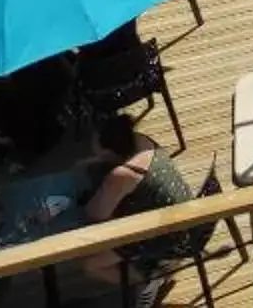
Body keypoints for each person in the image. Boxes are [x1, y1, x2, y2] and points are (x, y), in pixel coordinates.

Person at [75, 110, 193, 301]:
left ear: (108, 151)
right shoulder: (141, 141)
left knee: (91, 265)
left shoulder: (122, 175)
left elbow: (97, 213)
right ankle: (156, 266)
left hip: (169, 236)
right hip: (185, 216)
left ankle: (146, 278)